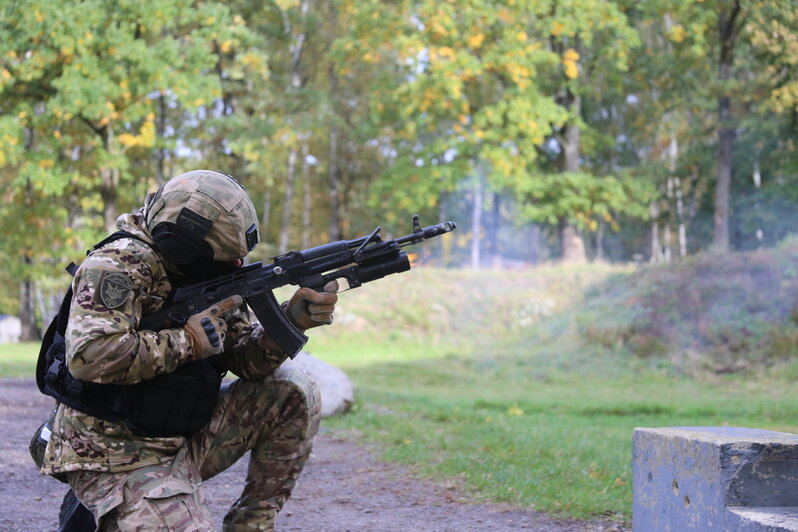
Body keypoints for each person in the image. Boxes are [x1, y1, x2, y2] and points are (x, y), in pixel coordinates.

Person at [36, 169, 338, 531]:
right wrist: (187, 342)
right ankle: (103, 505)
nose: (235, 266)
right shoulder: (115, 266)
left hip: (180, 435)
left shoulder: (202, 271)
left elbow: (246, 360)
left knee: (294, 387)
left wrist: (293, 319)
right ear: (182, 244)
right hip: (110, 454)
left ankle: (251, 523)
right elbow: (90, 357)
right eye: (225, 258)